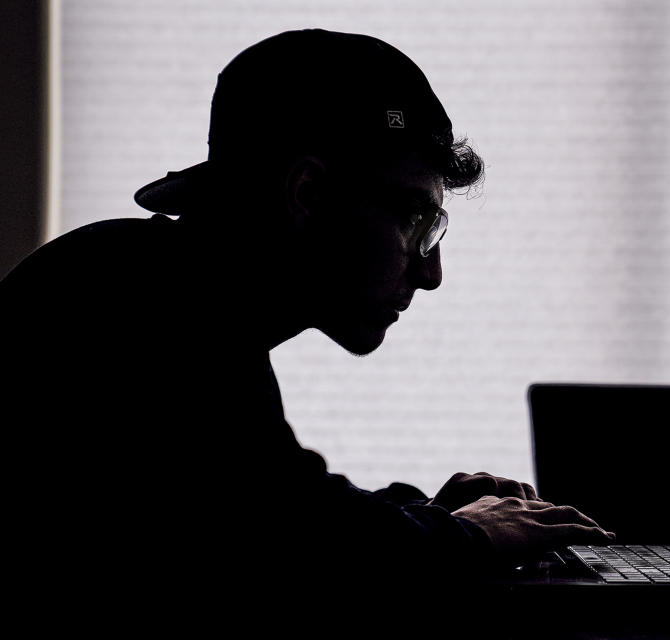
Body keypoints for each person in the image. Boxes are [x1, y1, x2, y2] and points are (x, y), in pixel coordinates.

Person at [2, 29, 613, 620]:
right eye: (419, 223)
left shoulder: (154, 280)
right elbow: (300, 542)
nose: (431, 273)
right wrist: (465, 538)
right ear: (309, 194)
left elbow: (260, 515)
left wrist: (433, 519)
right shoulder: (150, 307)